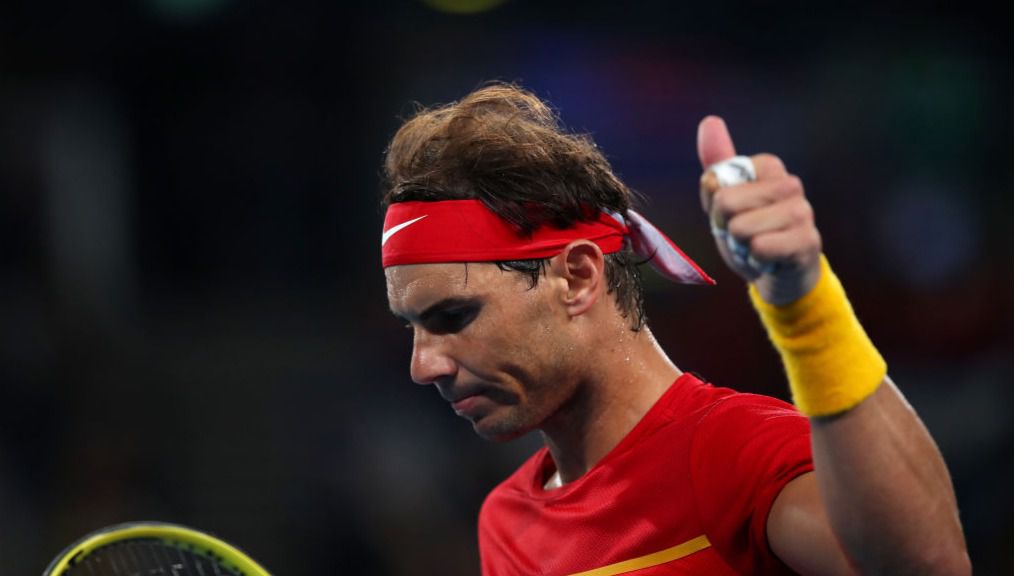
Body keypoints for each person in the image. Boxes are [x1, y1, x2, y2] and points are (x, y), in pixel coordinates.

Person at [379, 83, 970, 575]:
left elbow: (929, 569)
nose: (423, 365)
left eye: (453, 317)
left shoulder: (734, 452)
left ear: (577, 278)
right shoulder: (505, 523)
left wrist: (807, 308)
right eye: (412, 328)